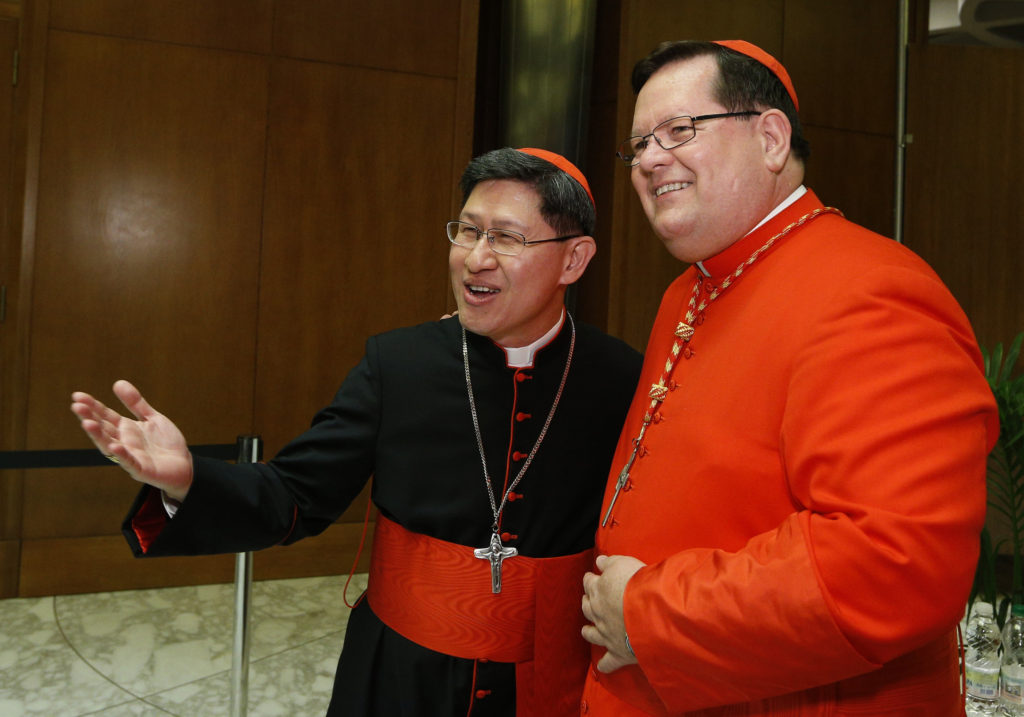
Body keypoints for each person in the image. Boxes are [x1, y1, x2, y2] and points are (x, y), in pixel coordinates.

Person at [70, 147, 643, 717]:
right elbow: (295, 497)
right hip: (399, 676)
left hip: (559, 685)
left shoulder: (622, 378)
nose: (475, 259)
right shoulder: (398, 365)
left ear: (573, 260)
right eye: (467, 231)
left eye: (506, 238)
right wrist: (189, 480)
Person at [579, 40, 999, 716]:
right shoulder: (687, 291)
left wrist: (650, 612)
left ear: (771, 138)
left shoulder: (872, 289)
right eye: (639, 146)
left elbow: (894, 562)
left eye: (679, 131)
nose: (650, 159)